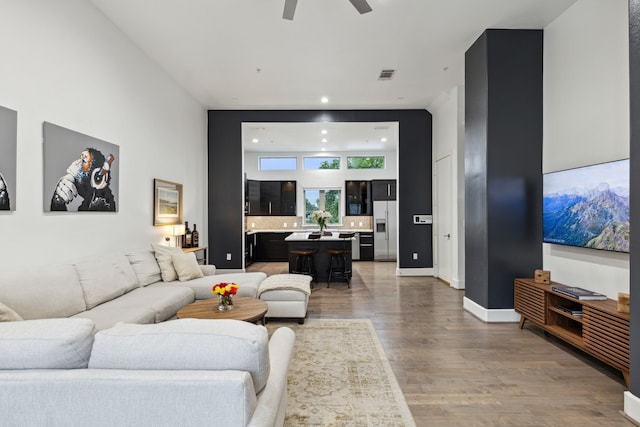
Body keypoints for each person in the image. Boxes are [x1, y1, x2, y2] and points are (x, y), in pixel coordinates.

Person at [50, 148, 116, 211]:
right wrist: (58, 201)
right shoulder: (88, 204)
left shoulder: (101, 203)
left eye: (83, 161)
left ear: (97, 178)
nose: (75, 163)